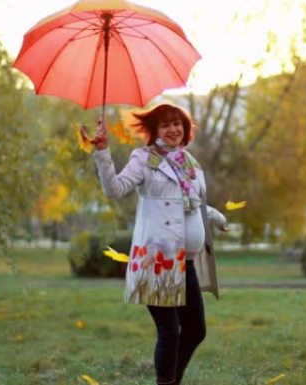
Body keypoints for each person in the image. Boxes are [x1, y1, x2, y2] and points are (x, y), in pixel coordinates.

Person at [80, 103, 229, 385]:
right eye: (166, 125)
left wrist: (216, 216)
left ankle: (172, 380)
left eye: (178, 123)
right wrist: (102, 152)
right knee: (170, 331)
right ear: (154, 130)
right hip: (156, 260)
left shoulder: (190, 164)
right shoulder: (144, 159)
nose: (173, 129)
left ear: (185, 128)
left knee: (196, 330)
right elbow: (115, 189)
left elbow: (193, 205)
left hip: (186, 262)